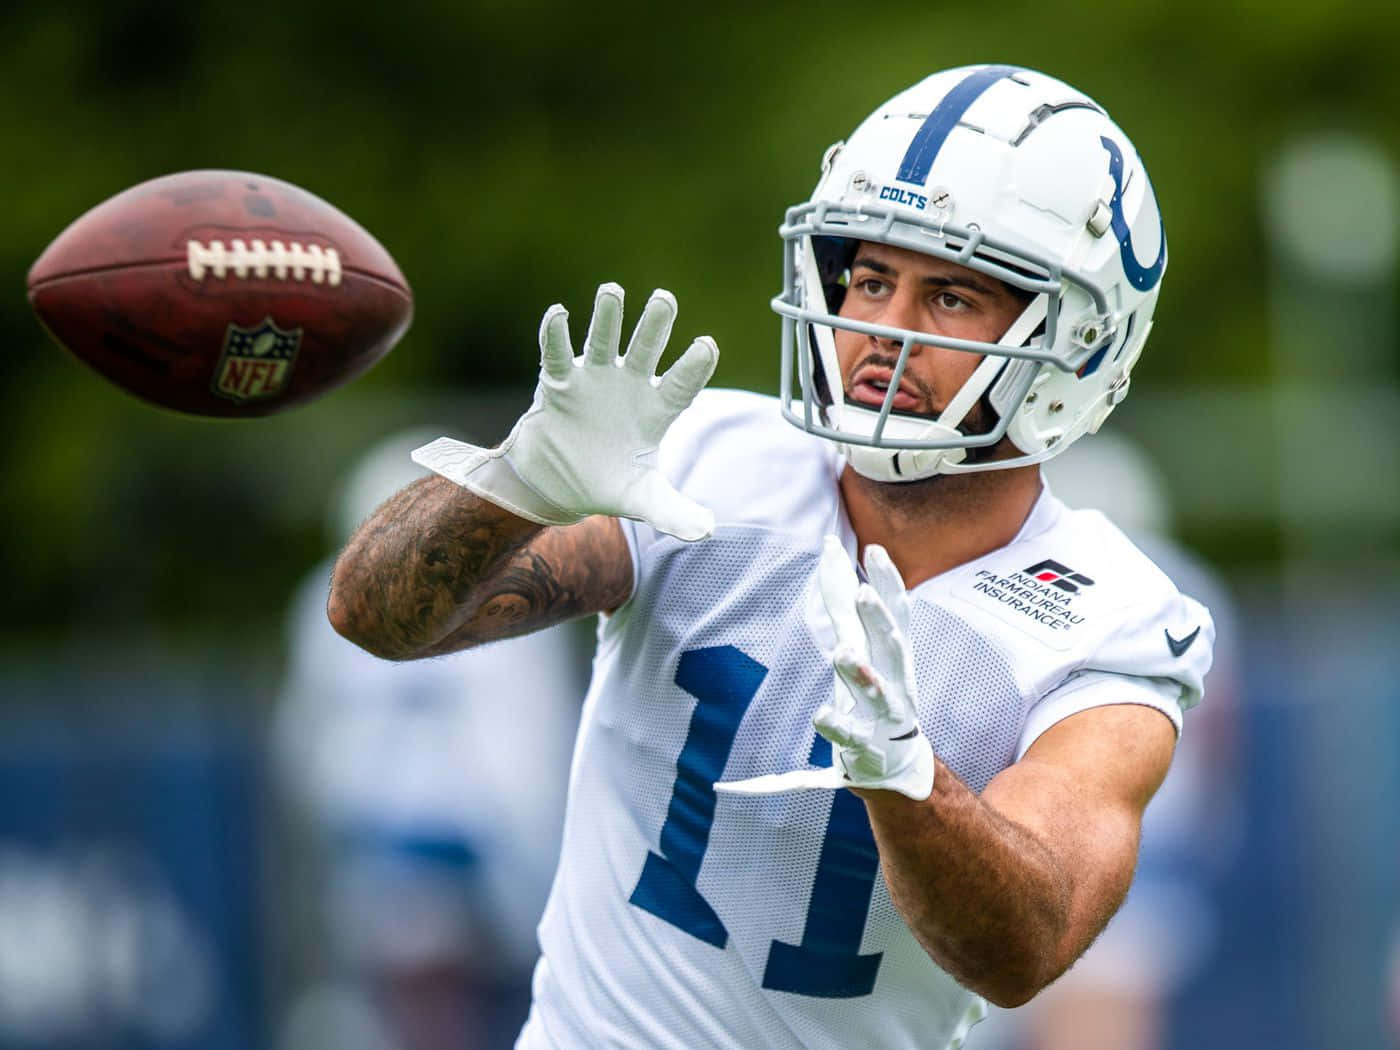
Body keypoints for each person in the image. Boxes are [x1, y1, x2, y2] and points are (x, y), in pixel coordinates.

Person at [328, 64, 1215, 1050]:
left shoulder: (1113, 619)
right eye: (871, 280)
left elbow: (1023, 950)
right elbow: (374, 618)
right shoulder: (710, 457)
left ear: (1078, 347)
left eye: (950, 297)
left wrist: (905, 778)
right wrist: (514, 486)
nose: (881, 331)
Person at [275, 428, 588, 1050]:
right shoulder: (326, 609)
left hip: (428, 836)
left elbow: (306, 745)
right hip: (410, 834)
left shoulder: (324, 607)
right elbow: (535, 740)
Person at [971, 432, 1244, 1050]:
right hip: (1126, 845)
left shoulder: (1031, 578)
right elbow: (1223, 743)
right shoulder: (1192, 588)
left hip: (1079, 841)